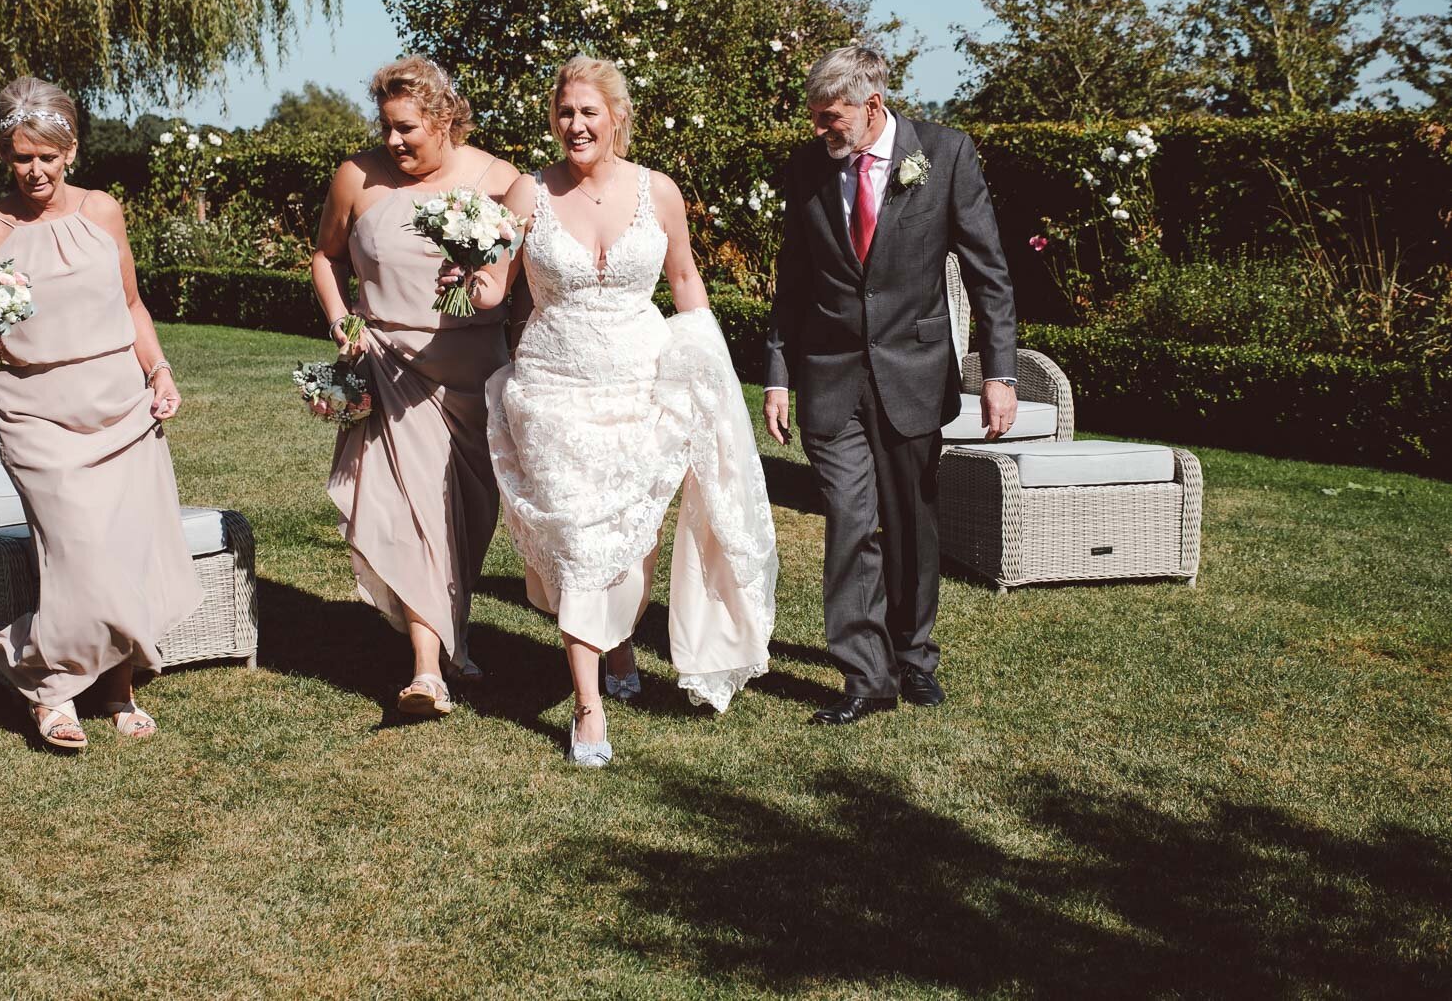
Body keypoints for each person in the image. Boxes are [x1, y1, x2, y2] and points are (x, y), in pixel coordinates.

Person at [443, 56, 777, 767]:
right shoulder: (525, 195)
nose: (575, 125)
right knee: (577, 545)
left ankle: (620, 645)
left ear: (616, 116)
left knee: (629, 543)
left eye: (589, 112)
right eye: (565, 112)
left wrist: (707, 367)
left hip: (642, 384)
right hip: (554, 386)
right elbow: (495, 293)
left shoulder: (659, 192)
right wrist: (468, 271)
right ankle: (588, 704)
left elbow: (684, 278)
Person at [763, 45, 1018, 725]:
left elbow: (990, 271)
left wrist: (998, 372)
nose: (821, 131)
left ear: (874, 106)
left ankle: (913, 657)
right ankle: (865, 678)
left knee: (910, 525)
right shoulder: (806, 168)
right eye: (816, 118)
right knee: (850, 521)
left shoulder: (946, 153)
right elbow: (792, 280)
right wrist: (778, 375)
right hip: (831, 380)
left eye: (832, 118)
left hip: (912, 373)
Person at [0, 76, 200, 750]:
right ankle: (48, 689)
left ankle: (116, 689)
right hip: (35, 413)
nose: (34, 170)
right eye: (20, 157)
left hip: (120, 407)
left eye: (46, 156)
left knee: (120, 554)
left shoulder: (102, 212)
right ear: (5, 157)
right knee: (79, 556)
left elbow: (131, 306)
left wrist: (160, 369)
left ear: (71, 152)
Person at [311, 56, 519, 717]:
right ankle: (427, 672)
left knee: (465, 518)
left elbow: (518, 282)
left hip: (474, 370)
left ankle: (450, 640)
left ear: (443, 118)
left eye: (407, 129)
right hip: (388, 365)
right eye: (387, 128)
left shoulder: (499, 180)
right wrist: (340, 317)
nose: (393, 142)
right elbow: (326, 255)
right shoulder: (355, 176)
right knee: (417, 509)